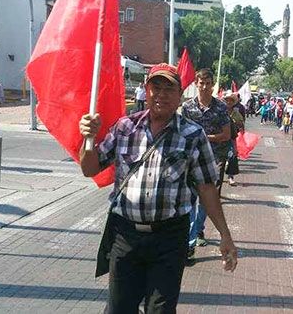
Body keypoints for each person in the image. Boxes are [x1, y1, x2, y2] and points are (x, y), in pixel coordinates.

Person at [78, 63, 237, 313]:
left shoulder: (193, 135)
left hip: (169, 238)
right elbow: (90, 168)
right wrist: (87, 140)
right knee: (119, 309)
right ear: (146, 90)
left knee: (160, 310)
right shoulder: (124, 127)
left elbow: (207, 188)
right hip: (125, 235)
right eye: (156, 87)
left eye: (168, 89)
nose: (161, 94)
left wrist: (225, 235)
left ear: (179, 94)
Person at [181, 68, 232, 259]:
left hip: (213, 160)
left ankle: (193, 237)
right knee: (189, 199)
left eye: (208, 83)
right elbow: (181, 133)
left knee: (205, 201)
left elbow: (226, 135)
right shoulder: (187, 107)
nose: (204, 87)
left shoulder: (220, 108)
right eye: (201, 83)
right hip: (191, 160)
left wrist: (204, 138)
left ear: (212, 85)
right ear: (196, 84)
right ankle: (190, 238)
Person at [224, 93, 244, 187]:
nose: (229, 102)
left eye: (231, 100)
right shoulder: (220, 111)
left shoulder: (236, 113)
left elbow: (241, 123)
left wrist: (239, 126)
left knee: (232, 156)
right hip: (220, 137)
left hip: (232, 137)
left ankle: (230, 177)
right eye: (227, 100)